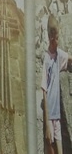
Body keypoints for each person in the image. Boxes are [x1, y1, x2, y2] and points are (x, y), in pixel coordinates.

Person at [41, 14, 72, 154]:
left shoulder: (59, 55)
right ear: (51, 38)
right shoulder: (47, 60)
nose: (58, 42)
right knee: (51, 149)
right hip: (50, 117)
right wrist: (47, 122)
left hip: (57, 116)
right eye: (57, 38)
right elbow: (44, 91)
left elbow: (69, 58)